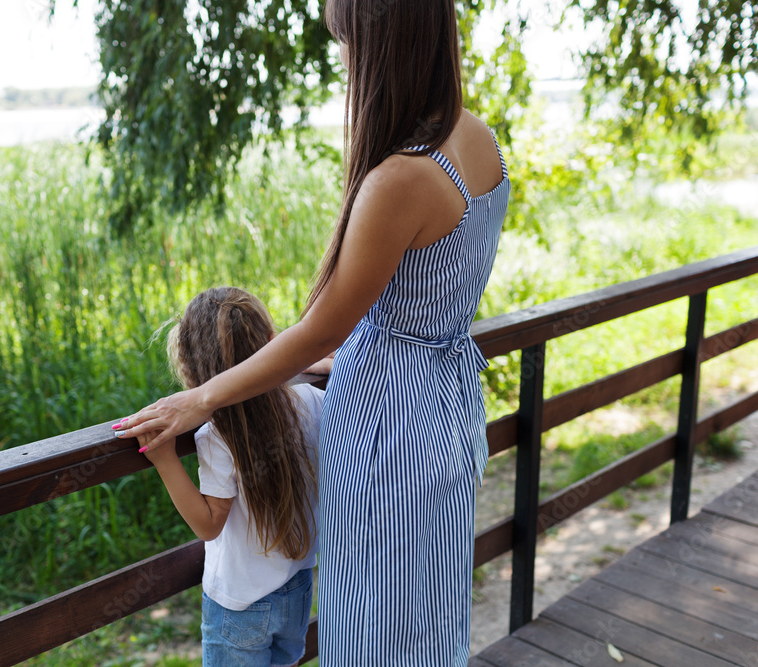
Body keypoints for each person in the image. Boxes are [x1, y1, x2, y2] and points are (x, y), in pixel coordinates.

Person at [115, 1, 510, 663]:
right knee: (431, 620)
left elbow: (321, 328)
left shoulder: (398, 179)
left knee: (373, 625)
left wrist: (202, 397)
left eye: (347, 42)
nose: (344, 61)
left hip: (387, 428)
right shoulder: (478, 138)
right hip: (446, 407)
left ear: (380, 47)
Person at [126, 286, 324, 666]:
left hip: (239, 606)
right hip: (298, 588)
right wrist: (327, 364)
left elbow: (208, 524)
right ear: (272, 344)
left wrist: (165, 459)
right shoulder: (311, 402)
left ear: (191, 366)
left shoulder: (218, 435)